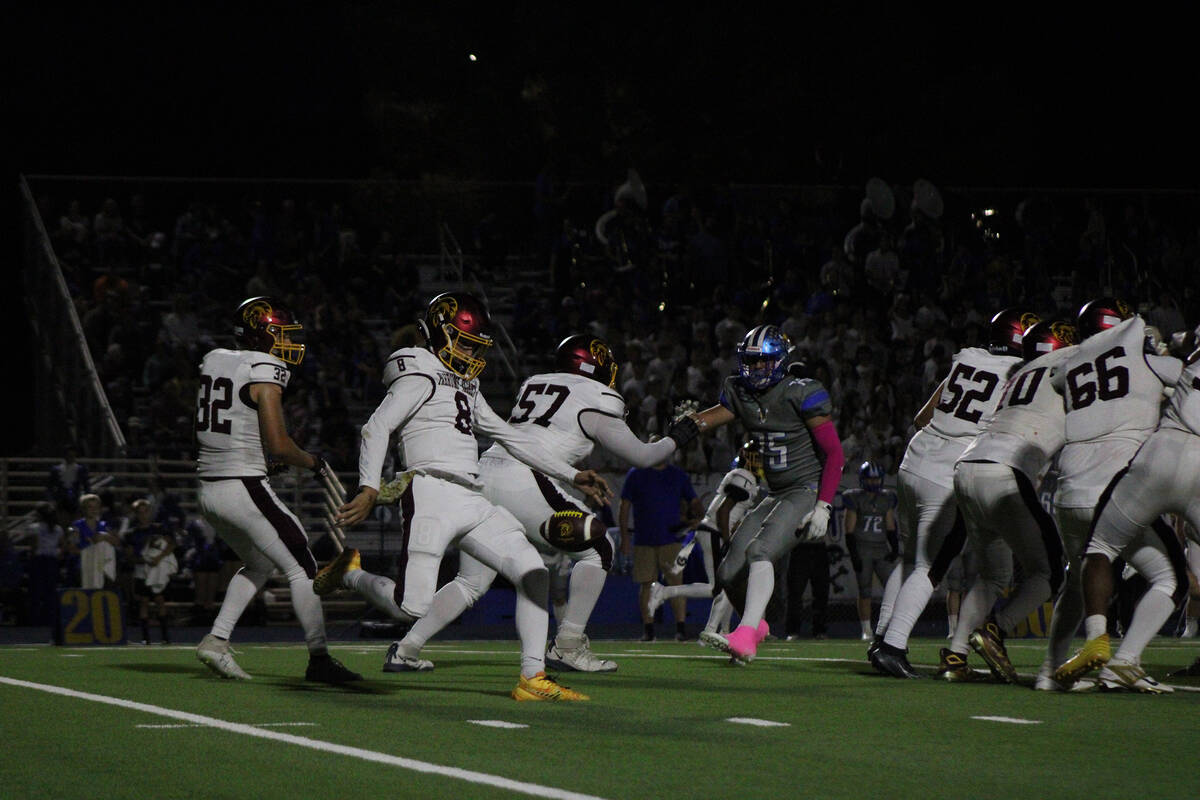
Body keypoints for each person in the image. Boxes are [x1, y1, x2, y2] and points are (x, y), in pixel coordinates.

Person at [320, 292, 612, 701]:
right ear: (438, 333)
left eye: (475, 344)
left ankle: (533, 677)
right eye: (464, 341)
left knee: (533, 571)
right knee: (409, 608)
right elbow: (376, 427)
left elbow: (508, 436)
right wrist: (369, 486)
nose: (471, 351)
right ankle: (351, 573)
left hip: (471, 495)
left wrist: (571, 473)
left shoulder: (466, 382)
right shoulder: (417, 370)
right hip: (430, 492)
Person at [377, 333, 677, 674]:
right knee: (599, 549)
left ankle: (406, 648)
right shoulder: (596, 395)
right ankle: (567, 645)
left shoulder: (535, 383)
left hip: (485, 471)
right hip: (525, 477)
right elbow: (643, 454)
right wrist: (679, 435)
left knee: (471, 581)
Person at [192, 296, 361, 683]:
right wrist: (313, 461)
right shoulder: (264, 367)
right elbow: (280, 444)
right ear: (262, 334)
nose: (286, 342)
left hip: (210, 489)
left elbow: (231, 426)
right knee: (304, 567)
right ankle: (319, 659)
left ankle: (216, 641)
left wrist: (262, 459)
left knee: (261, 563)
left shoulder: (216, 359)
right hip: (243, 487)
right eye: (281, 334)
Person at [871, 308, 1034, 678]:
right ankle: (893, 645)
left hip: (914, 459)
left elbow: (921, 417)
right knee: (930, 566)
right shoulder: (1018, 375)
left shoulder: (968, 360)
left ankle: (880, 638)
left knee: (910, 559)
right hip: (948, 472)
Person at [669, 324, 846, 664]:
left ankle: (746, 635)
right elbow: (715, 416)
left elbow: (835, 454)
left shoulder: (801, 392)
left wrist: (823, 506)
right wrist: (690, 424)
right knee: (727, 572)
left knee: (761, 550)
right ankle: (759, 624)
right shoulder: (740, 391)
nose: (756, 369)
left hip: (804, 489)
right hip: (775, 491)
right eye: (751, 361)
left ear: (779, 362)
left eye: (763, 362)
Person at [1052, 315, 1193, 693]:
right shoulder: (1149, 359)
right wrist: (1158, 349)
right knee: (1173, 578)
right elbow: (1179, 362)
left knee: (1090, 559)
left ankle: (1086, 648)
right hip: (1167, 467)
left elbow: (1057, 379)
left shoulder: (1072, 364)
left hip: (1083, 482)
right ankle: (1124, 661)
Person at [937, 319, 1075, 682]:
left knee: (993, 574)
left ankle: (955, 655)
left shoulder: (1016, 374)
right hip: (1006, 472)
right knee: (1049, 571)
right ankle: (997, 628)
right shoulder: (1067, 369)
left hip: (967, 467)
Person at [648, 440, 765, 641]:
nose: (763, 463)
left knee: (727, 585)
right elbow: (724, 511)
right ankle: (666, 593)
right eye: (760, 458)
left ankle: (721, 630)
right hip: (715, 531)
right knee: (718, 588)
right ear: (751, 458)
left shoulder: (740, 475)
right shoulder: (745, 477)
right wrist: (728, 540)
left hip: (712, 530)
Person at [619, 442, 704, 642]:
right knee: (647, 584)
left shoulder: (677, 475)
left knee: (675, 583)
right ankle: (649, 629)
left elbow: (694, 501)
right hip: (645, 539)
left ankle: (680, 629)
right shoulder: (636, 474)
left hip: (670, 539)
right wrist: (625, 537)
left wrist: (696, 515)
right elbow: (624, 507)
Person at [842, 461, 899, 640]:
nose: (874, 483)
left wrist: (895, 547)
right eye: (870, 479)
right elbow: (849, 530)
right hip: (863, 547)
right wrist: (854, 554)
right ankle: (866, 630)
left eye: (876, 479)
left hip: (881, 548)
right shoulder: (854, 498)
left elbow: (890, 525)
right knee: (865, 590)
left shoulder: (886, 497)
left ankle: (891, 627)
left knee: (893, 587)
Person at [73, 493, 120, 590]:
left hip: (101, 568)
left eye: (96, 507)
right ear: (83, 509)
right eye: (90, 507)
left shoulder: (104, 525)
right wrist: (91, 544)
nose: (93, 510)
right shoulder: (77, 526)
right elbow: (72, 547)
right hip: (83, 567)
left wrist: (105, 536)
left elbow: (117, 543)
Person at [47, 445, 89, 516]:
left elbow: (86, 486)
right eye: (69, 455)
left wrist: (85, 500)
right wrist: (51, 500)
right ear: (64, 456)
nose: (70, 458)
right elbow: (49, 487)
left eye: (73, 456)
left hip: (76, 501)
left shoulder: (80, 469)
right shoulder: (56, 470)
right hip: (60, 500)